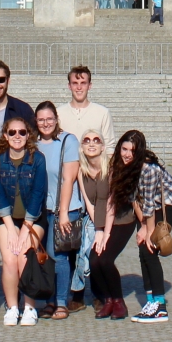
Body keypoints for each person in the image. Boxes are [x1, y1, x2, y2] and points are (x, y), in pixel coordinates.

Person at [110, 130, 172, 323]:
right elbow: (134, 199)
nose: (126, 154)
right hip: (146, 207)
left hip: (167, 204)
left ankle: (159, 306)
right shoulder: (123, 166)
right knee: (143, 249)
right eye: (124, 149)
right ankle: (150, 301)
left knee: (150, 249)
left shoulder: (148, 169)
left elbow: (149, 204)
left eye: (132, 151)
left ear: (139, 151)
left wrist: (149, 232)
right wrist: (142, 227)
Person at [55, 66, 110, 312]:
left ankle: (98, 292)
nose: (79, 87)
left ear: (90, 85)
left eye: (83, 82)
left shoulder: (101, 113)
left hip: (95, 184)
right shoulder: (59, 113)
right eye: (75, 83)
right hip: (69, 185)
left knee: (95, 242)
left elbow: (108, 147)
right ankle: (75, 294)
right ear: (69, 86)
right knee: (72, 241)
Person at [0, 115, 47, 327]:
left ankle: (29, 307)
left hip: (32, 219)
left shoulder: (37, 159)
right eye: (12, 132)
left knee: (26, 256)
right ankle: (12, 306)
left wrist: (25, 229)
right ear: (5, 135)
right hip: (7, 218)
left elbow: (37, 194)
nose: (17, 136)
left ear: (28, 135)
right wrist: (10, 227)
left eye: (22, 132)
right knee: (10, 258)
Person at [34, 101, 83, 319]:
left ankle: (61, 301)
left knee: (59, 255)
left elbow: (68, 178)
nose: (46, 123)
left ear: (56, 119)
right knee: (43, 256)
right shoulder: (33, 142)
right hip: (41, 209)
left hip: (64, 207)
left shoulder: (67, 141)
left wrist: (63, 212)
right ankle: (49, 300)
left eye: (49, 119)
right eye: (41, 120)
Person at [79, 129, 132, 319]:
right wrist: (98, 229)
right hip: (101, 221)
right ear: (82, 146)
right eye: (87, 140)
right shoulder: (81, 171)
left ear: (102, 146)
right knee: (94, 260)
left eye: (96, 140)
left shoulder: (111, 167)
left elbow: (111, 202)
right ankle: (108, 300)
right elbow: (89, 203)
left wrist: (105, 233)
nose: (91, 143)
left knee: (106, 259)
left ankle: (119, 302)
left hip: (121, 219)